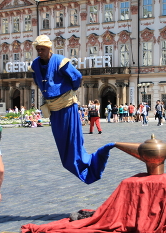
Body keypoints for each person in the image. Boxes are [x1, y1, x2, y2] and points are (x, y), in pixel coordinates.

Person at [29, 35, 114, 184]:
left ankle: (90, 163)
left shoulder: (60, 61)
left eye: (42, 49)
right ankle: (77, 164)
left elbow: (77, 76)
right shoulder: (35, 64)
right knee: (62, 143)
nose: (40, 52)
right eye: (38, 50)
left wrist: (70, 90)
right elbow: (36, 79)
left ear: (49, 49)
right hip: (54, 109)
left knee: (73, 141)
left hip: (67, 106)